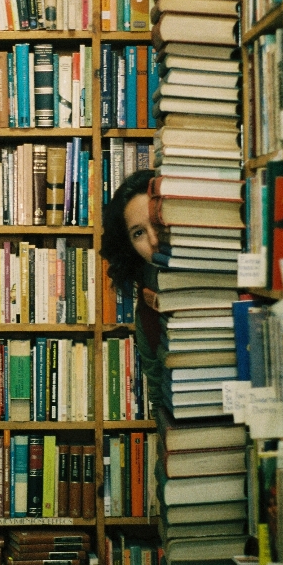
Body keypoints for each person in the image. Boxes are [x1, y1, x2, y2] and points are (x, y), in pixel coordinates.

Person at [100, 168, 166, 410]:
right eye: (139, 233)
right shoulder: (148, 307)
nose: (154, 240)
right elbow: (159, 396)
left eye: (158, 222)